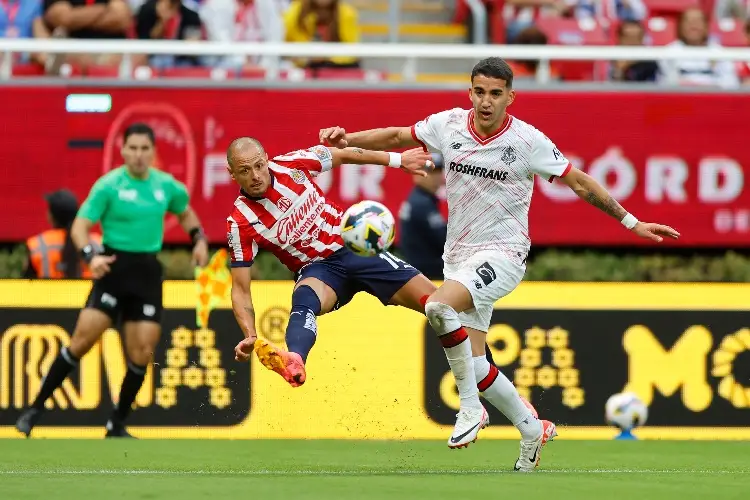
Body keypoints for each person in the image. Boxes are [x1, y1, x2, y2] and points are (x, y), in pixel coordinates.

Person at [318, 57, 680, 471]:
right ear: (469, 91)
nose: (485, 101)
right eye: (479, 92)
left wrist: (631, 222)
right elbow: (399, 135)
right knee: (474, 362)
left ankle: (470, 409)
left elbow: (578, 181)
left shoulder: (528, 141)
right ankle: (531, 428)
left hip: (503, 254)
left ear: (510, 96)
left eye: (495, 93)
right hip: (457, 257)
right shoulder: (449, 125)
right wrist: (346, 140)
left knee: (438, 306)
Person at [227, 137, 494, 449]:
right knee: (303, 299)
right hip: (318, 270)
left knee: (441, 308)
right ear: (233, 175)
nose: (256, 175)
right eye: (245, 171)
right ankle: (295, 359)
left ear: (266, 158)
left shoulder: (293, 164)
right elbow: (241, 290)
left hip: (354, 249)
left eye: (259, 165)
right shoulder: (240, 221)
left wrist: (397, 160)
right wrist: (249, 333)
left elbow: (343, 154)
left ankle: (503, 397)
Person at [15, 123, 209, 438]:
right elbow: (80, 227)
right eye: (132, 148)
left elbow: (185, 212)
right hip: (112, 269)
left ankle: (116, 423)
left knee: (142, 352)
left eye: (145, 149)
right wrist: (91, 256)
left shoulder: (166, 186)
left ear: (153, 151)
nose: (138, 155)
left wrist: (198, 239)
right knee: (81, 341)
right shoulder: (109, 186)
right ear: (122, 150)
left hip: (146, 273)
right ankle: (34, 410)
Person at [398, 155, 446, 280]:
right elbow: (444, 241)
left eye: (438, 171)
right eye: (430, 172)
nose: (435, 177)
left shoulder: (419, 198)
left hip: (420, 270)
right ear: (416, 174)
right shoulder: (421, 203)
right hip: (429, 274)